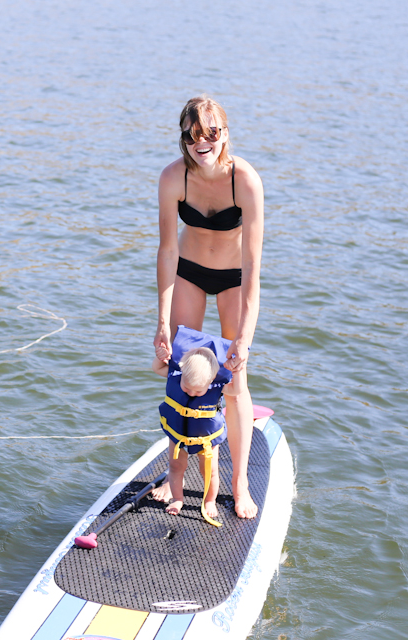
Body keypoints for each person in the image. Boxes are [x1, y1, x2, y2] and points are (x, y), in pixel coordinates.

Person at [152, 95, 264, 519]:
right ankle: (175, 477)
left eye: (211, 133)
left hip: (234, 278)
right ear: (183, 138)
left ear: (225, 133)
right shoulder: (173, 178)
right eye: (193, 135)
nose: (202, 142)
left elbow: (253, 266)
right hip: (189, 271)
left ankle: (240, 482)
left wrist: (245, 339)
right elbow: (167, 251)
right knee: (182, 373)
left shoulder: (245, 180)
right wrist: (161, 323)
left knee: (234, 381)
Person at [151, 326, 238, 526]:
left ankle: (209, 501)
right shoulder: (176, 375)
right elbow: (157, 368)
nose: (191, 393)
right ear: (181, 373)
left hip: (206, 439)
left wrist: (238, 371)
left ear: (211, 381)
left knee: (209, 471)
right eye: (186, 387)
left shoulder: (217, 386)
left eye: (198, 391)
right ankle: (177, 498)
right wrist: (160, 356)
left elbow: (237, 390)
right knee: (175, 467)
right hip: (178, 435)